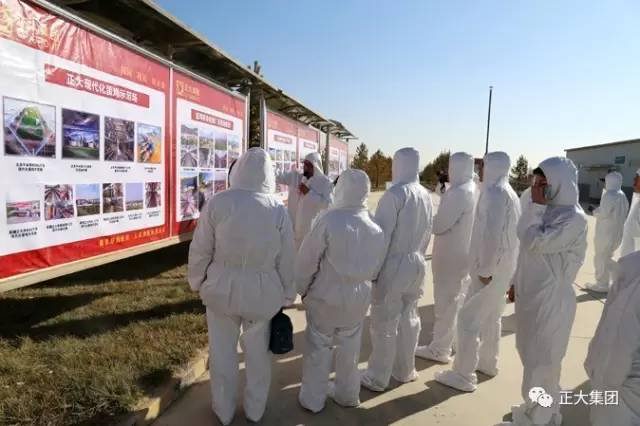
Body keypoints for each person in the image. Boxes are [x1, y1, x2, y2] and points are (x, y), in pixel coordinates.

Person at [187, 148, 295, 425]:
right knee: (258, 355)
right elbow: (286, 257)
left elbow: (201, 248)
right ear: (268, 173)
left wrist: (196, 280)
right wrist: (287, 292)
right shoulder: (277, 209)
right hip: (262, 291)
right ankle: (255, 410)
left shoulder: (218, 202)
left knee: (222, 353)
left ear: (238, 170)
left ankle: (223, 410)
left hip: (221, 288)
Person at [503, 157, 588, 426]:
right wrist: (516, 281)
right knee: (529, 354)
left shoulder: (574, 219)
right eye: (535, 182)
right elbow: (524, 246)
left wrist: (536, 207)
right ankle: (542, 410)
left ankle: (539, 418)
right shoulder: (544, 210)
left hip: (552, 300)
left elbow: (535, 241)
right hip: (532, 295)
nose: (537, 188)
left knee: (543, 362)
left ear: (559, 184)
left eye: (543, 183)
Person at [296, 169, 386, 413]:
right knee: (350, 347)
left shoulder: (328, 220)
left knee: (319, 346)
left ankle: (313, 399)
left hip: (326, 295)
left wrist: (302, 289)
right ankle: (348, 394)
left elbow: (307, 260)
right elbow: (376, 266)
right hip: (358, 296)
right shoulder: (374, 225)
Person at [434, 152, 520, 392]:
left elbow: (492, 234)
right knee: (492, 318)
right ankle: (488, 363)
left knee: (467, 320)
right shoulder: (509, 192)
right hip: (503, 269)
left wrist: (485, 269)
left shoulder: (494, 193)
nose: (480, 169)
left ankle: (463, 375)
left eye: (484, 165)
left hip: (490, 271)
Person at [361, 147, 433, 392]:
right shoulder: (425, 195)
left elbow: (382, 236)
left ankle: (377, 376)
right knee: (410, 319)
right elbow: (427, 231)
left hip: (394, 264)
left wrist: (374, 271)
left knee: (384, 321)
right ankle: (405, 370)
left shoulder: (395, 194)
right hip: (418, 262)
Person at [416, 152, 476, 364]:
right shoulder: (470, 187)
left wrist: (423, 218)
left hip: (450, 257)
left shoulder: (459, 192)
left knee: (445, 304)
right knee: (456, 302)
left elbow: (440, 225)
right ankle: (452, 343)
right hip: (461, 254)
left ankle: (439, 349)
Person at [584, 251, 640, 426]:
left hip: (624, 382)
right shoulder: (631, 265)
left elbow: (619, 338)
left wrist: (603, 377)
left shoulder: (631, 267)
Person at [276, 152, 333, 249]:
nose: (305, 167)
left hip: (310, 235)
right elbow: (279, 176)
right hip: (292, 232)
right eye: (305, 164)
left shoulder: (325, 183)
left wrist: (309, 193)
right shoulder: (296, 177)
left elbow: (328, 205)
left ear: (315, 166)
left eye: (308, 165)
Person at [585, 171, 629, 292]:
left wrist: (593, 211)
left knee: (600, 258)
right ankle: (622, 276)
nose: (605, 184)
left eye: (606, 181)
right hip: (617, 233)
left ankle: (602, 284)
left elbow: (603, 213)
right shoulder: (622, 195)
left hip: (605, 233)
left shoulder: (609, 195)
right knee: (607, 257)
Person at [620, 169, 640, 257]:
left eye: (637, 178)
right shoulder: (637, 200)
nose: (634, 180)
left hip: (634, 260)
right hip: (629, 258)